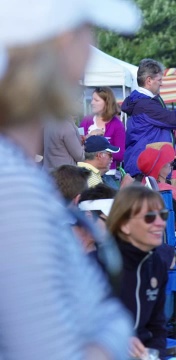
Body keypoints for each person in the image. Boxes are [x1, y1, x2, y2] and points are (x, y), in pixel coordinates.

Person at [0, 0, 141, 358]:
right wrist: (112, 339)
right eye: (85, 33)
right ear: (61, 45)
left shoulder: (19, 177)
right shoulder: (14, 188)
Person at [106, 185, 171, 359]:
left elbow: (157, 327)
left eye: (163, 215)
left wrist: (155, 355)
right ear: (125, 225)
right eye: (149, 217)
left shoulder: (156, 264)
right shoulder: (99, 265)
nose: (160, 223)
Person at [121, 58, 176, 177]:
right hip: (146, 169)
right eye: (159, 80)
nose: (161, 83)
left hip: (145, 166)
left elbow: (168, 119)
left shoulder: (144, 102)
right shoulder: (145, 105)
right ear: (149, 80)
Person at [80, 87, 126, 169]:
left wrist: (100, 154)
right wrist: (89, 136)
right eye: (92, 99)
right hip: (86, 170)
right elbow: (77, 145)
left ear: (107, 103)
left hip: (108, 173)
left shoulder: (117, 125)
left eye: (96, 100)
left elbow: (120, 154)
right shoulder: (85, 121)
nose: (92, 103)